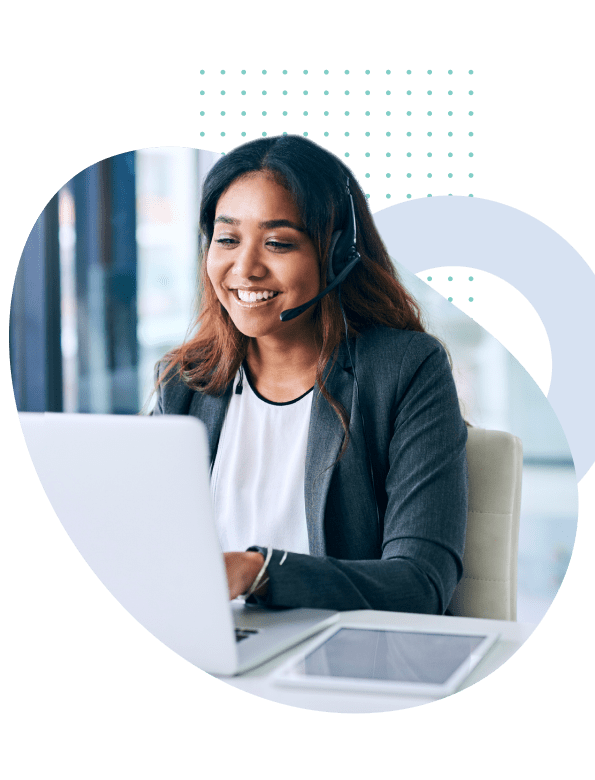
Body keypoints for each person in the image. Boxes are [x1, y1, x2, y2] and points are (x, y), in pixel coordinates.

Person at [152, 134, 468, 615]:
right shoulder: (183, 381)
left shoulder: (406, 370)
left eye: (278, 243)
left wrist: (258, 572)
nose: (246, 268)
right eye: (228, 239)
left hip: (343, 665)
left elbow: (420, 585)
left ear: (336, 255)